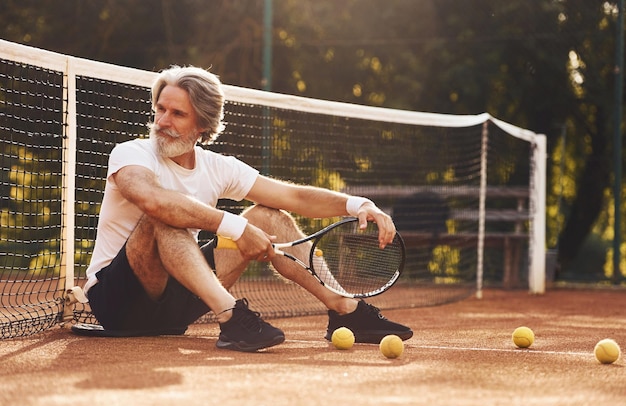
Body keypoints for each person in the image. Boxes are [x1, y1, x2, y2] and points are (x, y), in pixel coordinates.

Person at [83, 65, 413, 352]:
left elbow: (293, 197)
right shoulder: (131, 153)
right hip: (118, 303)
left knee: (268, 215)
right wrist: (236, 228)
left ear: (202, 125)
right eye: (161, 109)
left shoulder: (217, 167)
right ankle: (231, 317)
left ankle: (344, 308)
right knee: (165, 215)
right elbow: (154, 201)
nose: (163, 121)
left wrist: (357, 204)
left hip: (175, 306)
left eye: (178, 114)